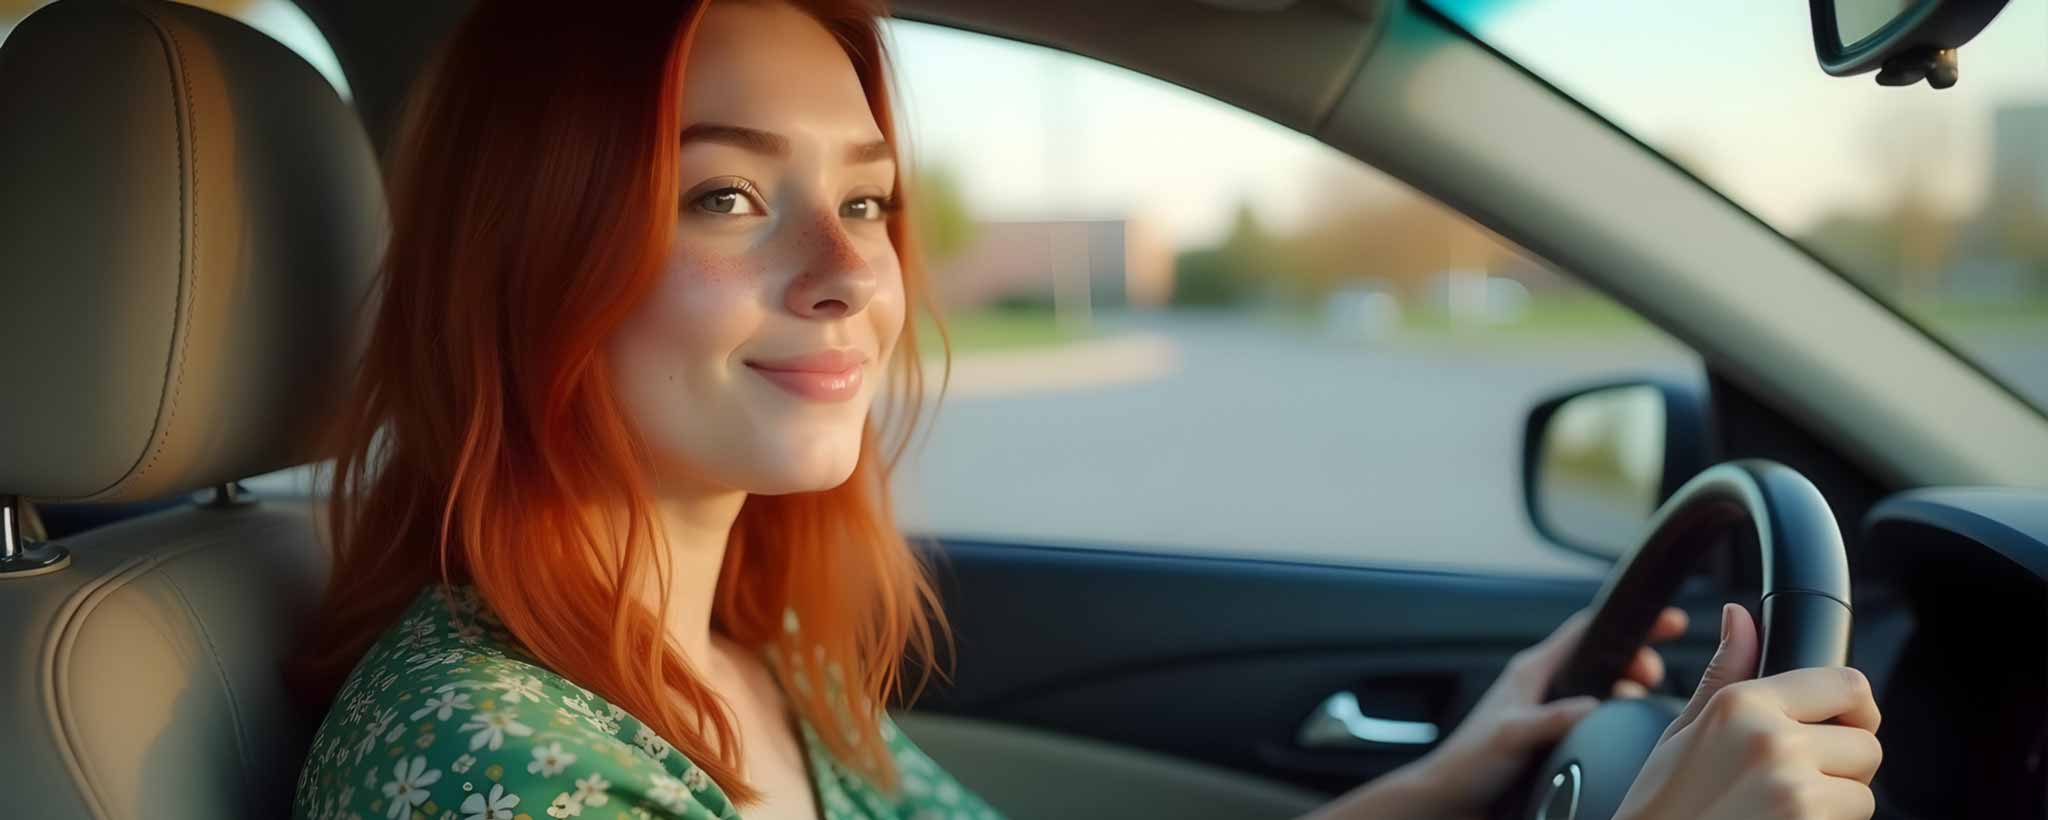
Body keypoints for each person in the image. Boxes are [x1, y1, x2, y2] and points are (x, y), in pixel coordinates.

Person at [286, 1, 1883, 818]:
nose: (851, 271)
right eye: (722, 196)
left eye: (870, 199)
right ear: (527, 254)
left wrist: (1438, 779)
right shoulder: (495, 764)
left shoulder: (737, 658)